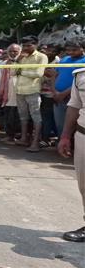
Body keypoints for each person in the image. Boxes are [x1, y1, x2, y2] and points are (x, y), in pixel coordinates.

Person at [57, 65, 85, 242]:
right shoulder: (80, 75)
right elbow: (74, 106)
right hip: (83, 135)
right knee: (84, 184)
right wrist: (65, 135)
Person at [14, 35, 49, 152]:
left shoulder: (41, 57)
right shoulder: (22, 57)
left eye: (29, 45)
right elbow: (13, 72)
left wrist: (22, 71)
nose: (26, 48)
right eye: (24, 45)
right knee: (23, 116)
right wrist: (18, 61)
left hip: (33, 90)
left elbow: (38, 73)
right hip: (19, 90)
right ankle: (24, 138)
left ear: (36, 45)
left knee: (36, 117)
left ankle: (35, 142)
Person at [54, 37, 85, 136]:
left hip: (75, 98)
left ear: (82, 48)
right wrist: (54, 92)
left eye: (74, 50)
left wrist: (64, 93)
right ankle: (62, 145)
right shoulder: (64, 59)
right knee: (60, 124)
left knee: (75, 125)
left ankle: (73, 148)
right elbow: (54, 75)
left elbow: (80, 83)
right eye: (68, 50)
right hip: (58, 97)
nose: (71, 52)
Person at [0, 44, 22, 142]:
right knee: (9, 112)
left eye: (15, 51)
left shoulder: (23, 62)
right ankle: (10, 135)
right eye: (11, 51)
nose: (13, 53)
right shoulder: (5, 63)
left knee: (19, 114)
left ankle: (19, 135)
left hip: (20, 89)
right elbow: (2, 79)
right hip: (8, 90)